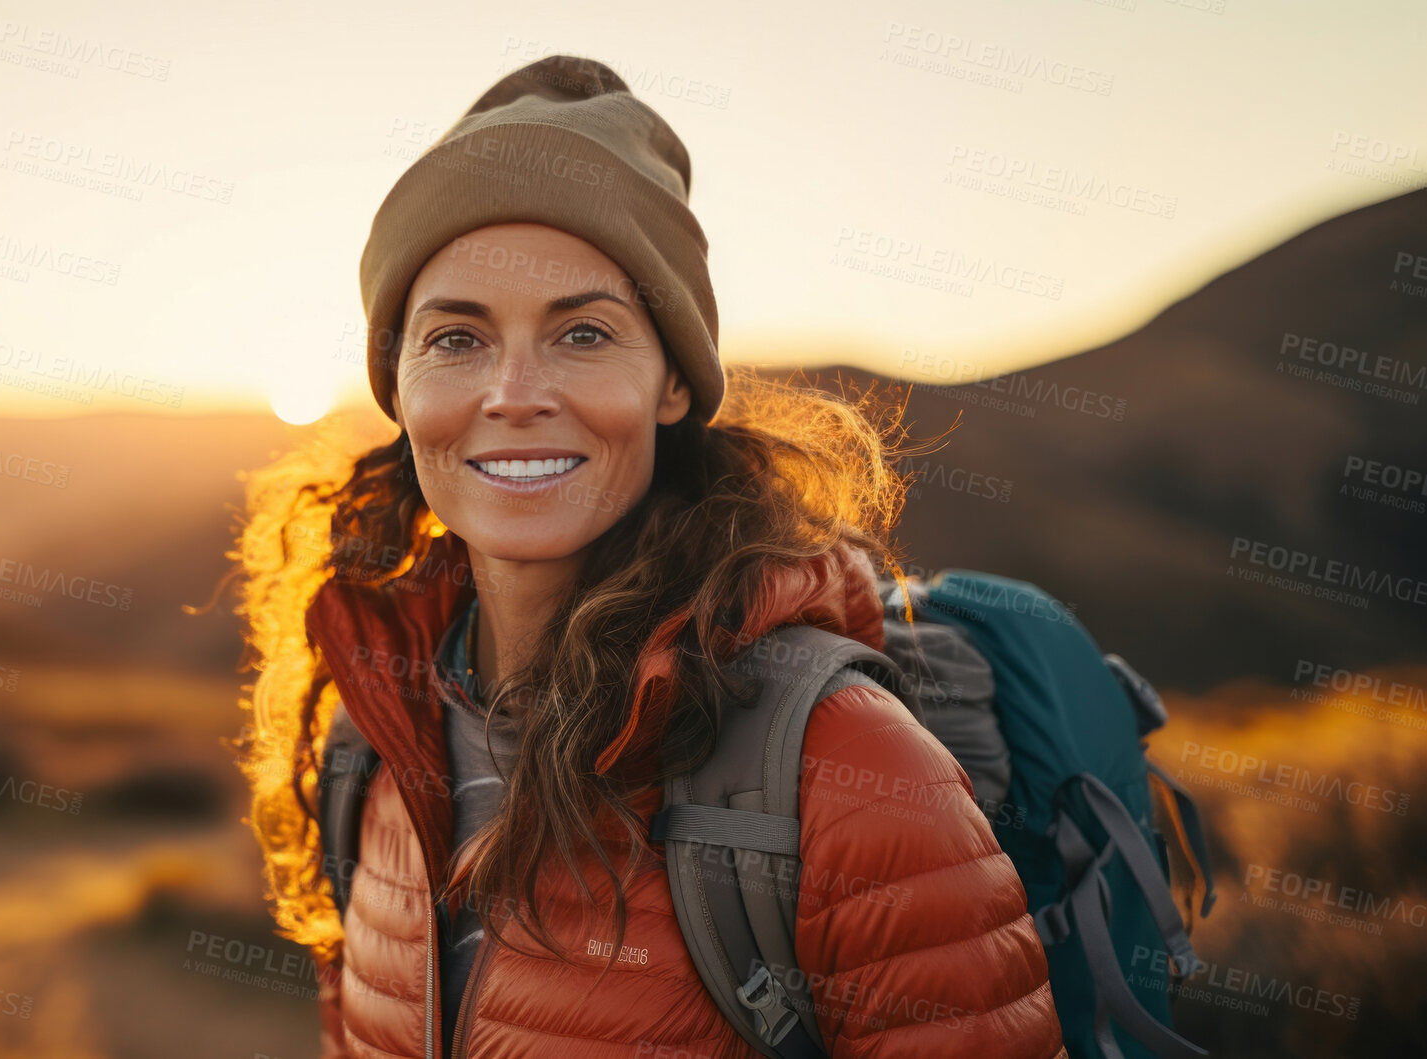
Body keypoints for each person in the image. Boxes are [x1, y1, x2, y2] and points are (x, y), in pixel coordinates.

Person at [235, 55, 1066, 1058]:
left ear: (671, 383)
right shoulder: (373, 727)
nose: (511, 392)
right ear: (399, 387)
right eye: (454, 339)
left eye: (582, 333)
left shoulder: (843, 768)